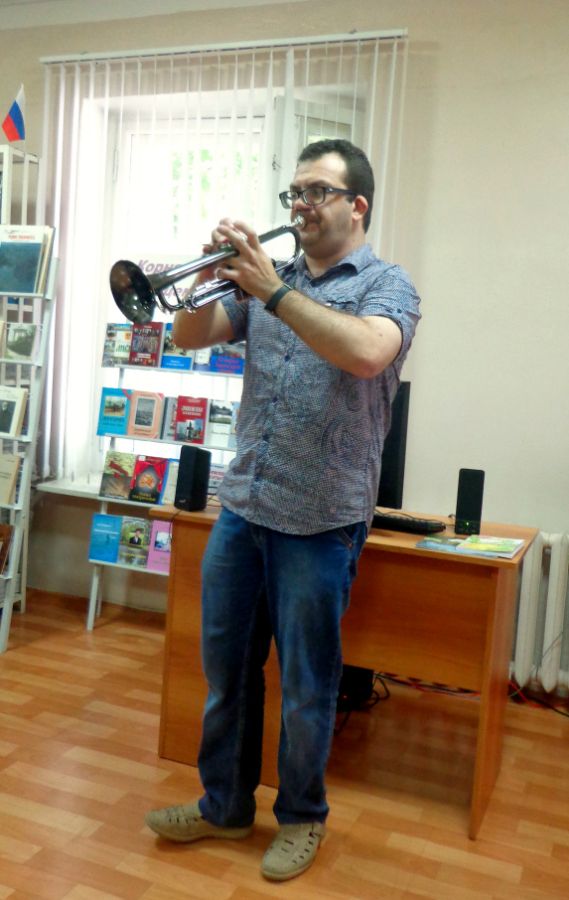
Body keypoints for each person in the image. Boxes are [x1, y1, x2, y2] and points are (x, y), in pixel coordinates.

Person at [145, 139, 421, 881]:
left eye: (316, 191)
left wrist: (271, 291)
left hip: (322, 518)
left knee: (307, 686)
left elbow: (367, 353)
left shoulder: (387, 286)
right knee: (227, 673)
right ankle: (224, 806)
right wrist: (205, 276)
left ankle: (302, 817)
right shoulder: (274, 278)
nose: (300, 205)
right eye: (294, 192)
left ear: (356, 205)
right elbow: (189, 335)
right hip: (245, 505)